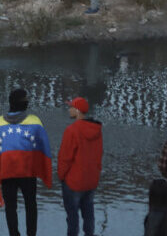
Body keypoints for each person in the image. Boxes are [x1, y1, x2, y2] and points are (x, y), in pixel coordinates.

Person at [0, 88, 53, 236]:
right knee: (31, 205)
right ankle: (31, 234)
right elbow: (44, 147)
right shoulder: (35, 121)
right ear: (25, 104)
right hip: (27, 171)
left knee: (10, 207)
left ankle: (14, 234)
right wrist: (44, 170)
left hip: (7, 171)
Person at [58, 97, 103, 236]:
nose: (69, 109)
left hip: (74, 181)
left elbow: (65, 158)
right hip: (91, 180)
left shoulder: (71, 130)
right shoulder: (97, 130)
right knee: (89, 214)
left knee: (72, 217)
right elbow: (99, 153)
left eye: (71, 107)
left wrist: (61, 176)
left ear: (77, 111)